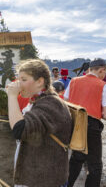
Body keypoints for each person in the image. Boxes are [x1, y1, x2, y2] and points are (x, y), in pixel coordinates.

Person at [7, 59, 72, 187]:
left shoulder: (51, 104)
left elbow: (19, 130)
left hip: (47, 180)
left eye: (24, 79)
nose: (19, 84)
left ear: (40, 81)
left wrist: (12, 96)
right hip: (42, 176)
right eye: (19, 79)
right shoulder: (42, 100)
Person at [65, 58, 106, 187]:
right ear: (102, 70)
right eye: (104, 73)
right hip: (91, 125)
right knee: (95, 164)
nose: (104, 76)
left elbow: (66, 101)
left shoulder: (73, 81)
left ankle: (66, 184)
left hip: (75, 124)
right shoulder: (103, 86)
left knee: (76, 158)